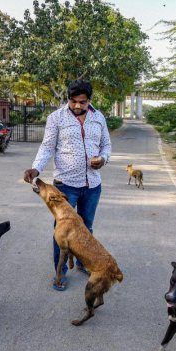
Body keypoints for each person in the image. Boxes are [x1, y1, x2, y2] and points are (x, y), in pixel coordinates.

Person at [23, 79, 111, 290]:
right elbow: (47, 147)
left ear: (89, 100)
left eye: (82, 102)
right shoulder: (56, 118)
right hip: (66, 186)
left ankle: (83, 262)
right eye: (73, 101)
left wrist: (103, 159)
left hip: (92, 185)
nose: (77, 106)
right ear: (68, 99)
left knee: (86, 228)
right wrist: (36, 168)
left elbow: (106, 144)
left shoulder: (99, 118)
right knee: (61, 232)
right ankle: (60, 273)